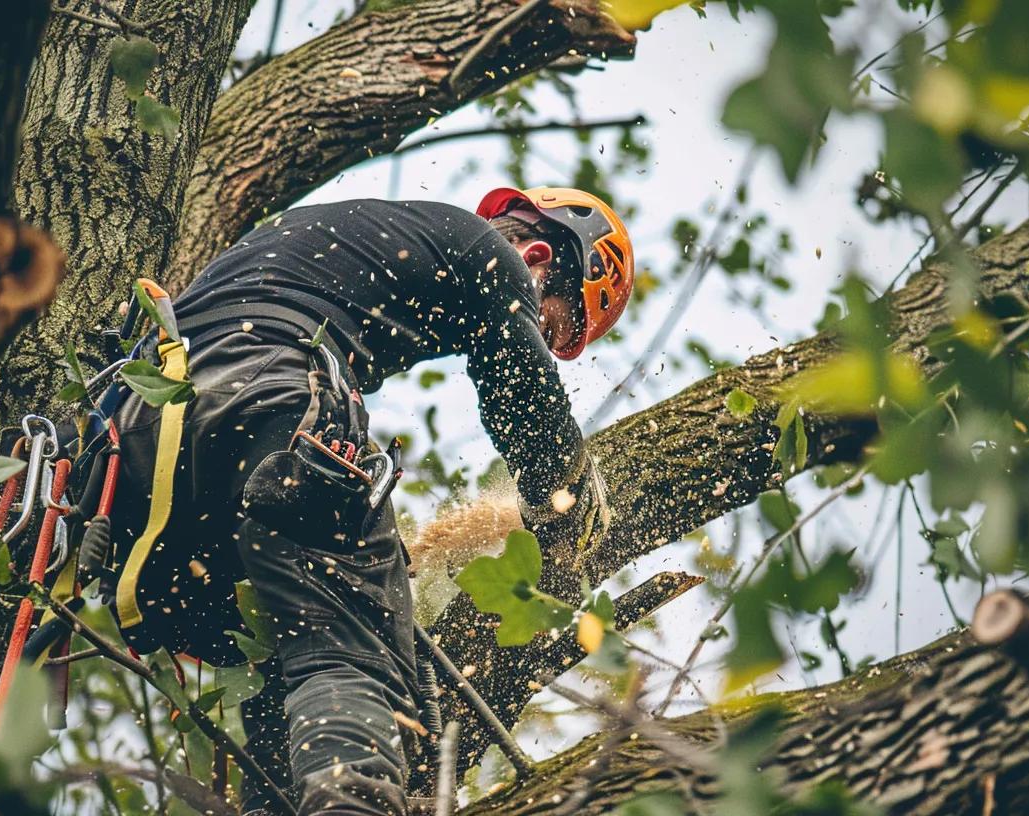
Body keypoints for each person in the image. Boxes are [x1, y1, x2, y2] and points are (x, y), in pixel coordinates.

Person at [106, 187, 635, 815]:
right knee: (352, 656)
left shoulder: (338, 241)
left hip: (139, 437)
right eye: (547, 320)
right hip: (267, 391)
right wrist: (569, 503)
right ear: (541, 254)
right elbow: (522, 394)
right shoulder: (490, 251)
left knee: (286, 667)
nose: (535, 330)